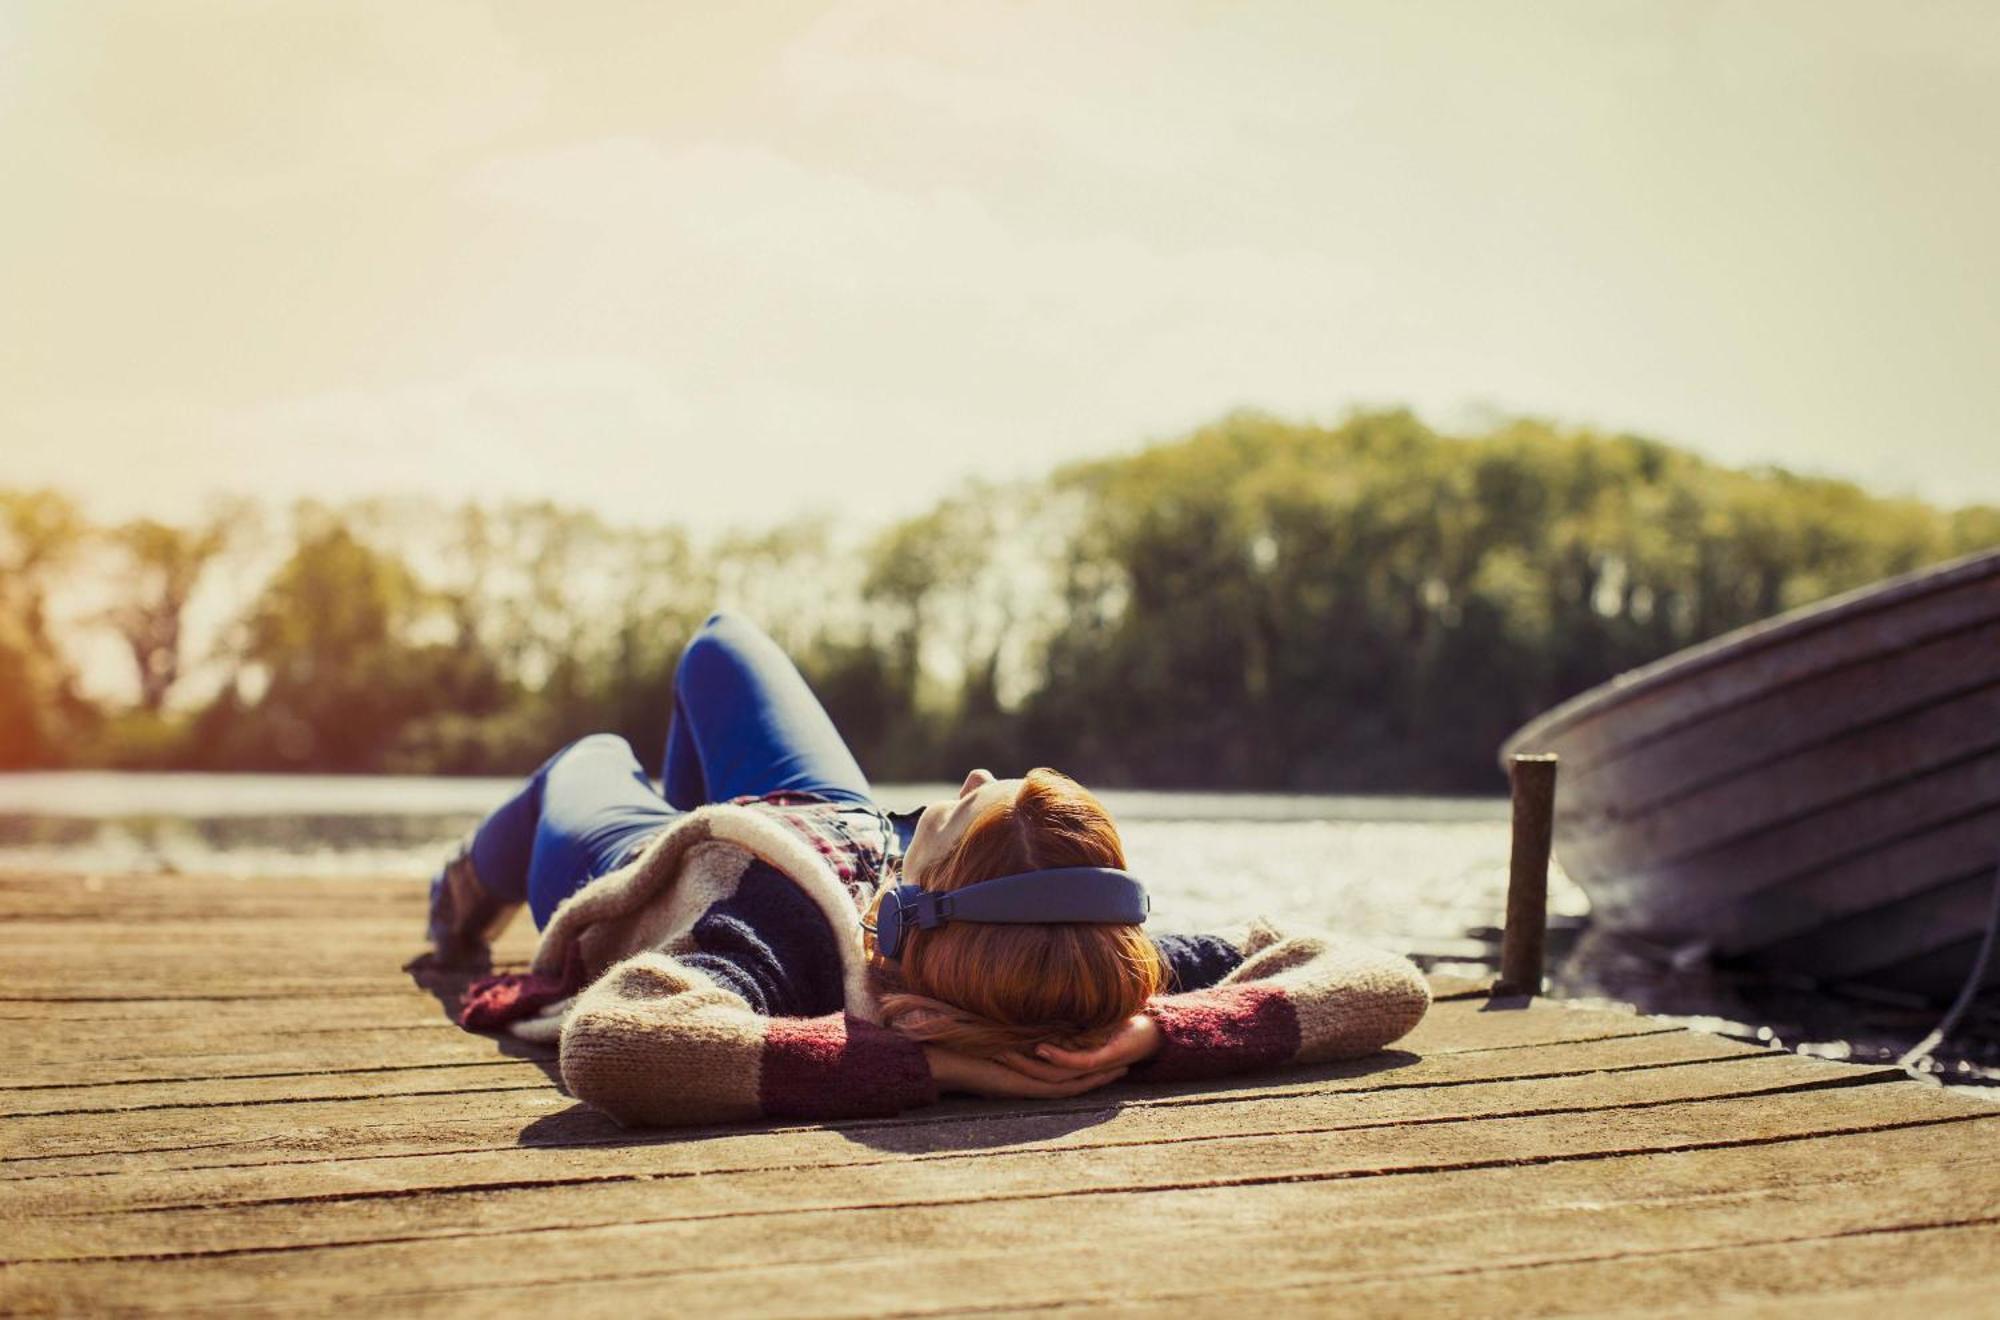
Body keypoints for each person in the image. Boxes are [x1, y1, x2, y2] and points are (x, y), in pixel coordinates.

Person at [428, 611, 1430, 1128]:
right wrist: (1148, 1030)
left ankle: (462, 891)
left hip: (681, 874)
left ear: (920, 902)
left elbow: (617, 1044)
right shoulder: (1080, 978)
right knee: (720, 644)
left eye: (965, 806)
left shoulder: (776, 944)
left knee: (591, 757)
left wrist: (932, 1068)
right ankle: (687, 805)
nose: (973, 772)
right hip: (821, 818)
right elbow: (1383, 978)